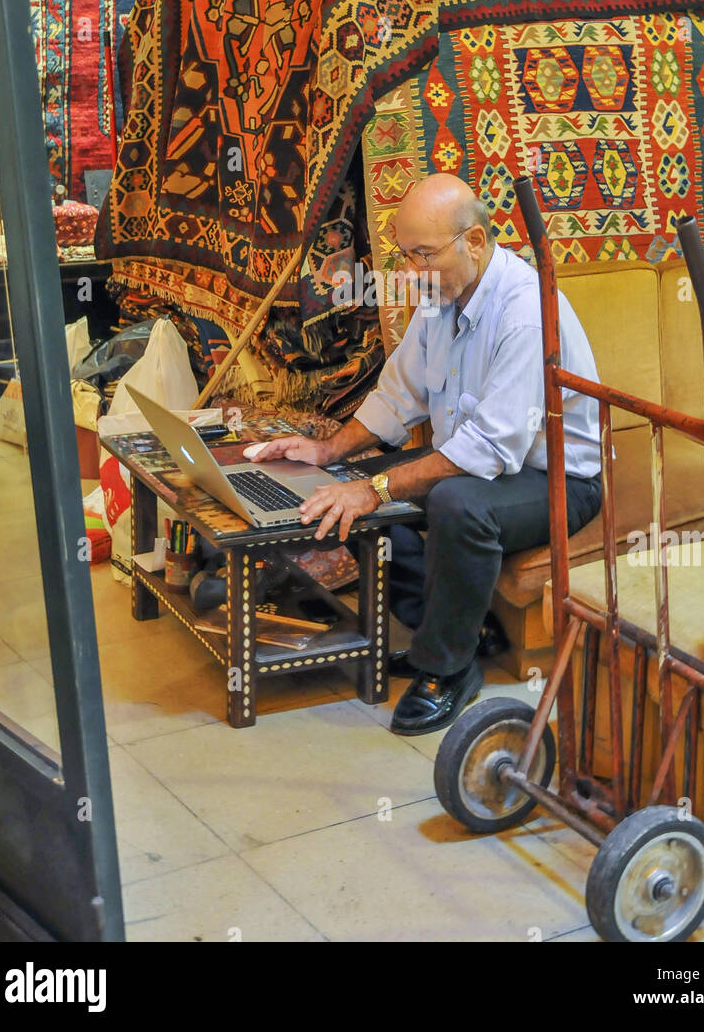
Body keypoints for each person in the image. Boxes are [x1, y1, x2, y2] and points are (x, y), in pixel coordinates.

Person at [251, 174, 603, 735]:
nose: (411, 271)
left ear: (476, 241)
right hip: (479, 466)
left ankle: (449, 669)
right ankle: (462, 630)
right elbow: (399, 394)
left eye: (424, 255)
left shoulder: (528, 313)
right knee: (349, 485)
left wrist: (377, 490)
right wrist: (326, 451)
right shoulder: (440, 298)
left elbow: (489, 448)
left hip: (556, 481)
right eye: (405, 255)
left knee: (454, 505)